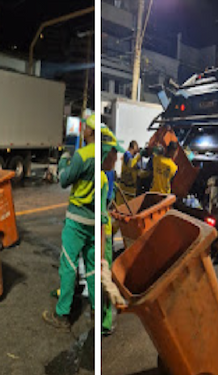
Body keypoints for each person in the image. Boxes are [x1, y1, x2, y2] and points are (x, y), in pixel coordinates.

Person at [43, 114, 95, 330]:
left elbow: (64, 180)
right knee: (92, 268)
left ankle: (62, 314)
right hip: (95, 219)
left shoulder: (82, 155)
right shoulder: (102, 154)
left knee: (69, 265)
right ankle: (96, 309)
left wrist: (64, 161)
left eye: (85, 129)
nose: (82, 132)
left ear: (89, 132)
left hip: (77, 219)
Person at [101, 125, 125, 336]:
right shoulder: (103, 176)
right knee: (104, 273)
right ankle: (106, 319)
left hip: (101, 229)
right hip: (102, 232)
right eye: (114, 154)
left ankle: (105, 317)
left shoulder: (104, 174)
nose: (116, 158)